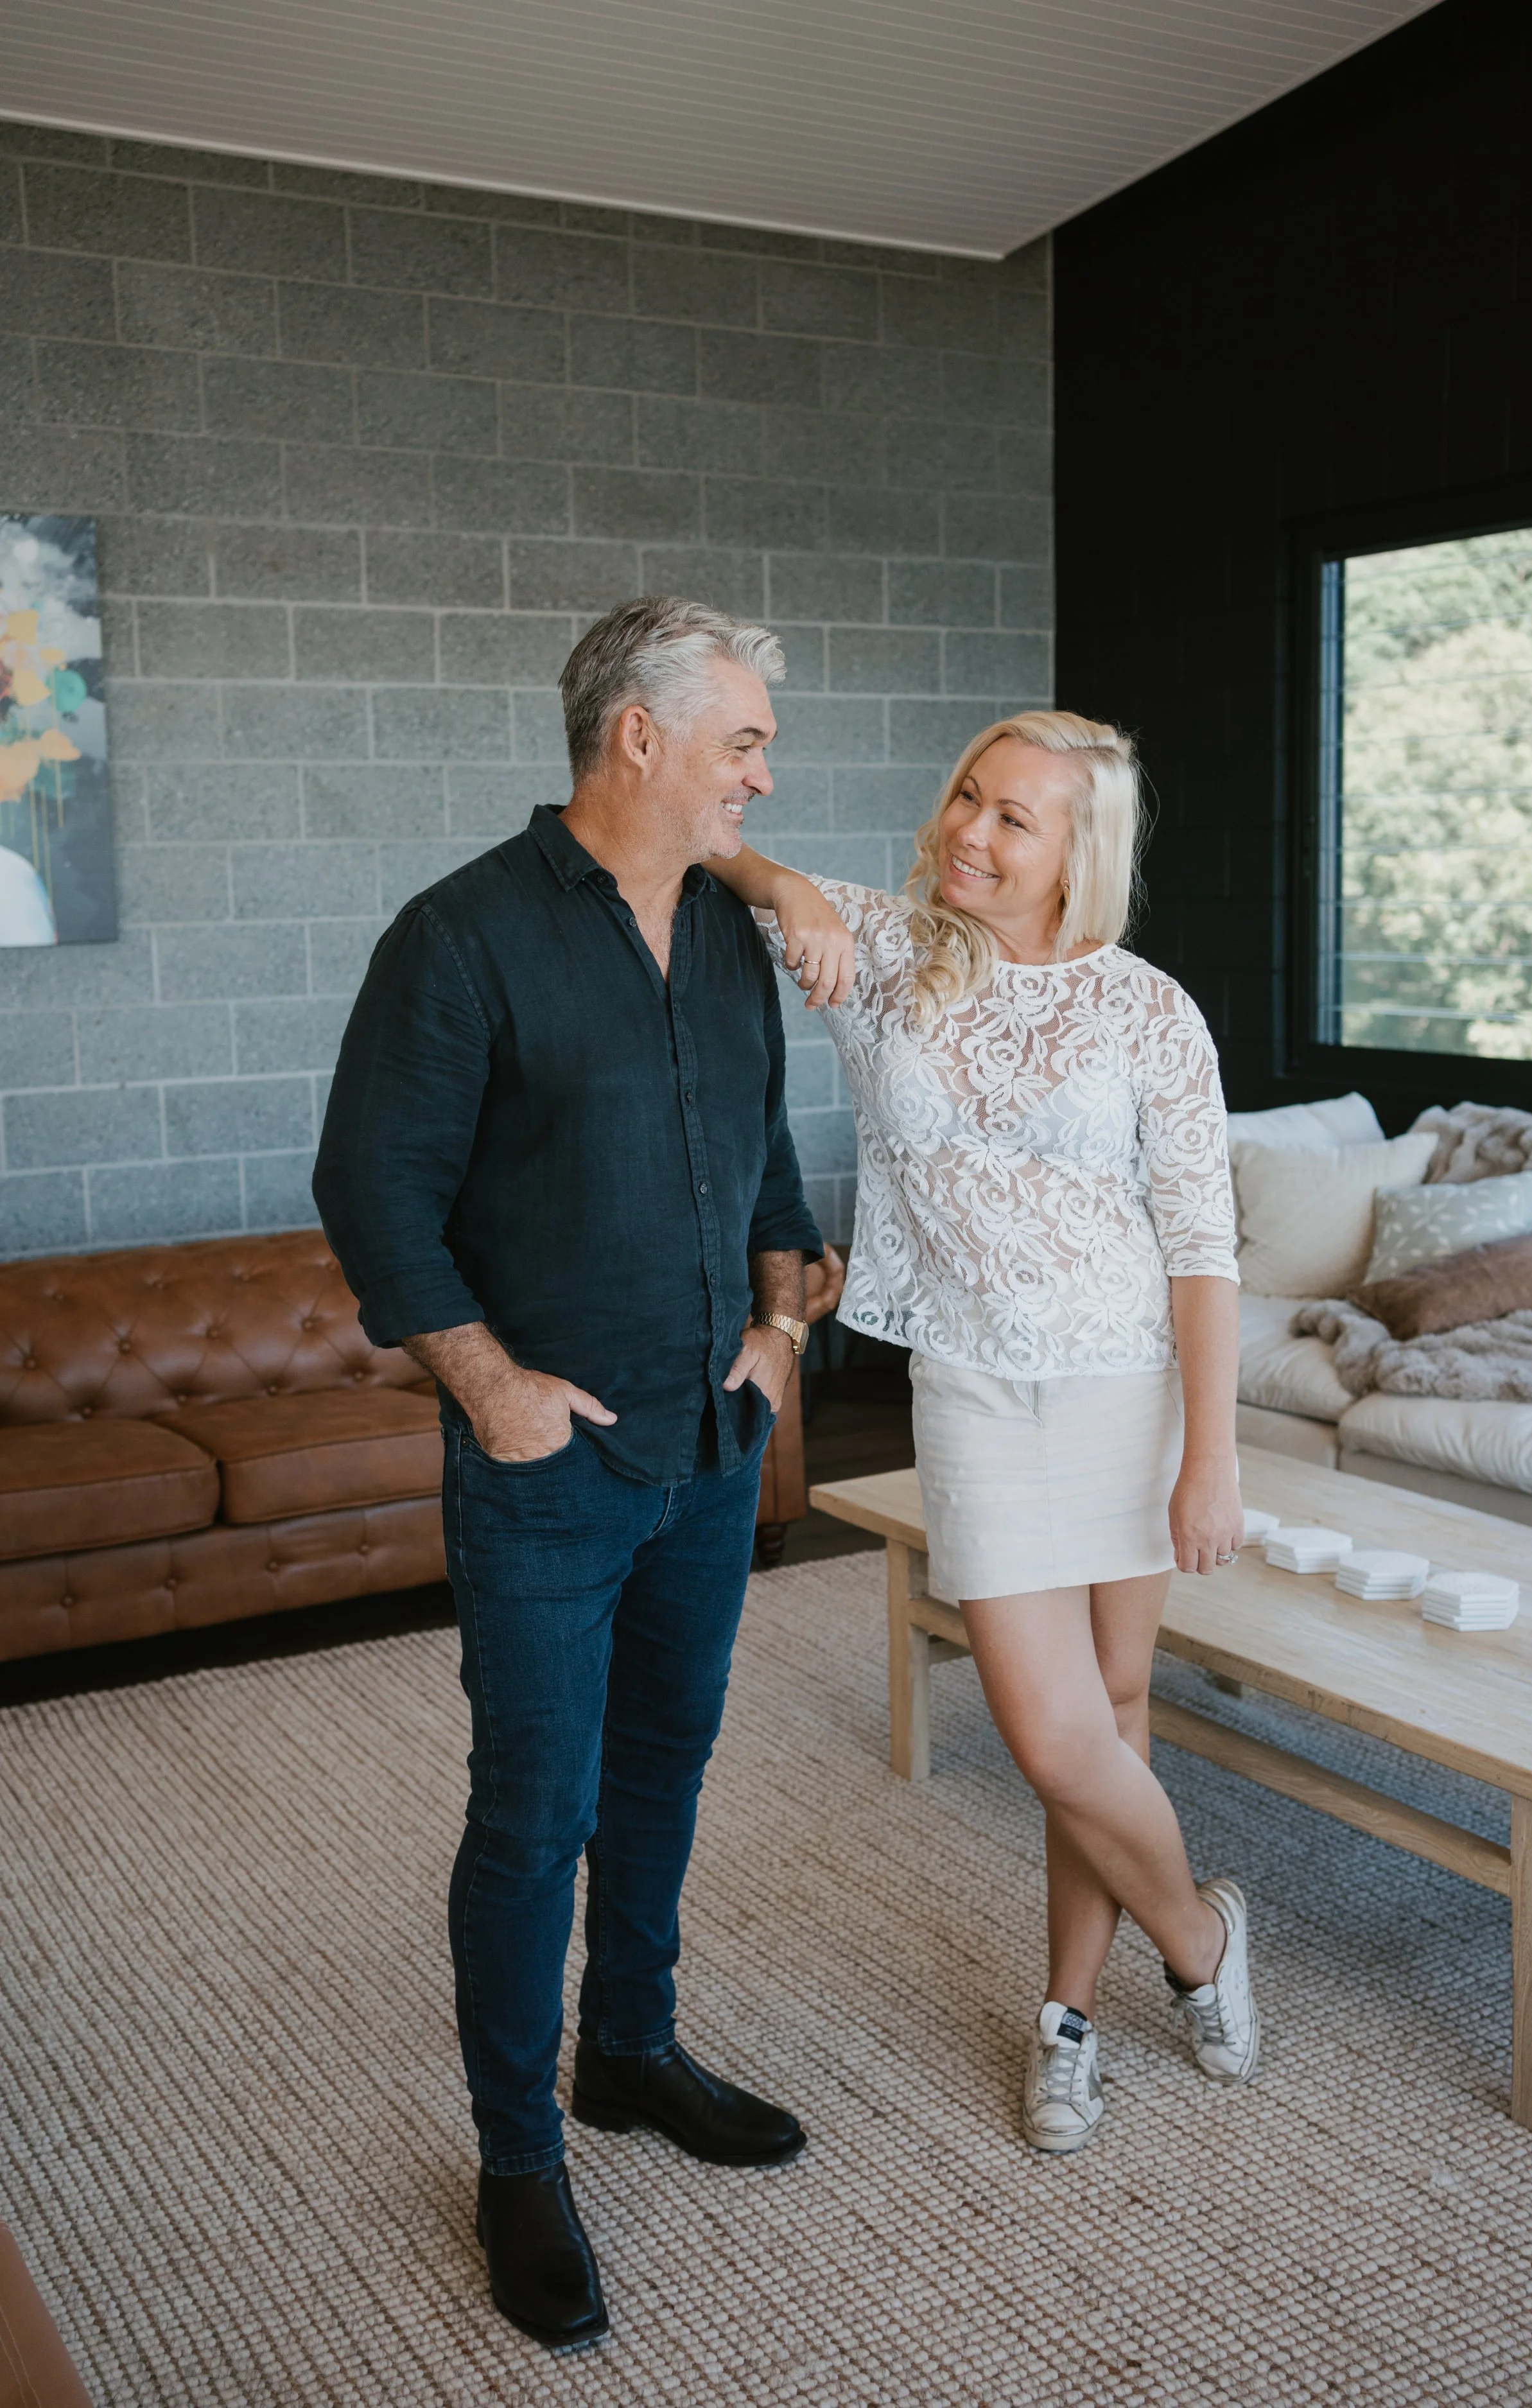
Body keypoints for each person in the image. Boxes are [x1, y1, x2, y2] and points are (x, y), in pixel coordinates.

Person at [313, 598, 824, 2350]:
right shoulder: (459, 936)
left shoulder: (729, 935)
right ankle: (518, 2154)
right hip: (547, 1469)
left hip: (709, 1442)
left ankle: (630, 2051)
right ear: (639, 736)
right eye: (744, 737)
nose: (767, 765)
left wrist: (781, 1323)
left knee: (666, 1764)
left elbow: (762, 1156)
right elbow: (374, 1190)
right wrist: (490, 1383)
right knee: (536, 1809)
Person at [708, 710, 1258, 2155]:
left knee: (1115, 1713)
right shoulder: (886, 948)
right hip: (967, 1386)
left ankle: (1066, 2014)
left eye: (1016, 817)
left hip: (1124, 1383)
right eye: (968, 795)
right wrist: (791, 890)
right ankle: (1199, 1937)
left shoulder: (1148, 1010)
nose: (971, 830)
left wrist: (1214, 1450)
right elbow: (707, 847)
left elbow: (1203, 1246)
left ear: (1081, 850)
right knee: (1053, 1736)